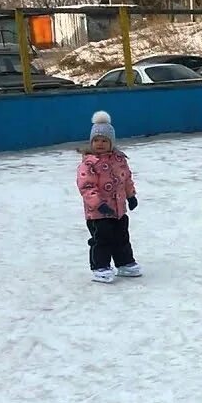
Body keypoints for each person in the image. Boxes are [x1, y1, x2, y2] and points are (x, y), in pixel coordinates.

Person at [77, 111, 142, 283]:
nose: (100, 144)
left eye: (104, 140)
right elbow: (86, 186)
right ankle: (100, 266)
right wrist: (98, 204)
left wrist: (131, 195)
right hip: (97, 213)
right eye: (96, 140)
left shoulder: (119, 159)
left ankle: (124, 262)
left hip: (118, 209)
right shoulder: (89, 163)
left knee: (121, 236)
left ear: (111, 142)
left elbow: (126, 178)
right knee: (102, 238)